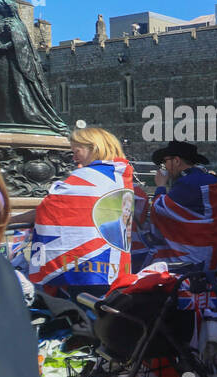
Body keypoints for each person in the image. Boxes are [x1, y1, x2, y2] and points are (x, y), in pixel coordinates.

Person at [14, 127, 135, 297]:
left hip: (83, 267)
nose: (73, 156)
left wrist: (8, 220)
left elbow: (48, 209)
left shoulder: (87, 176)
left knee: (80, 313)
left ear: (94, 147)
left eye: (76, 150)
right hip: (113, 264)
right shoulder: (120, 173)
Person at [144, 139, 217, 271]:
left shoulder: (187, 184)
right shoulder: (213, 180)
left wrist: (161, 186)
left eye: (165, 162)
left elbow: (158, 211)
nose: (165, 167)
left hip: (193, 262)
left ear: (177, 161)